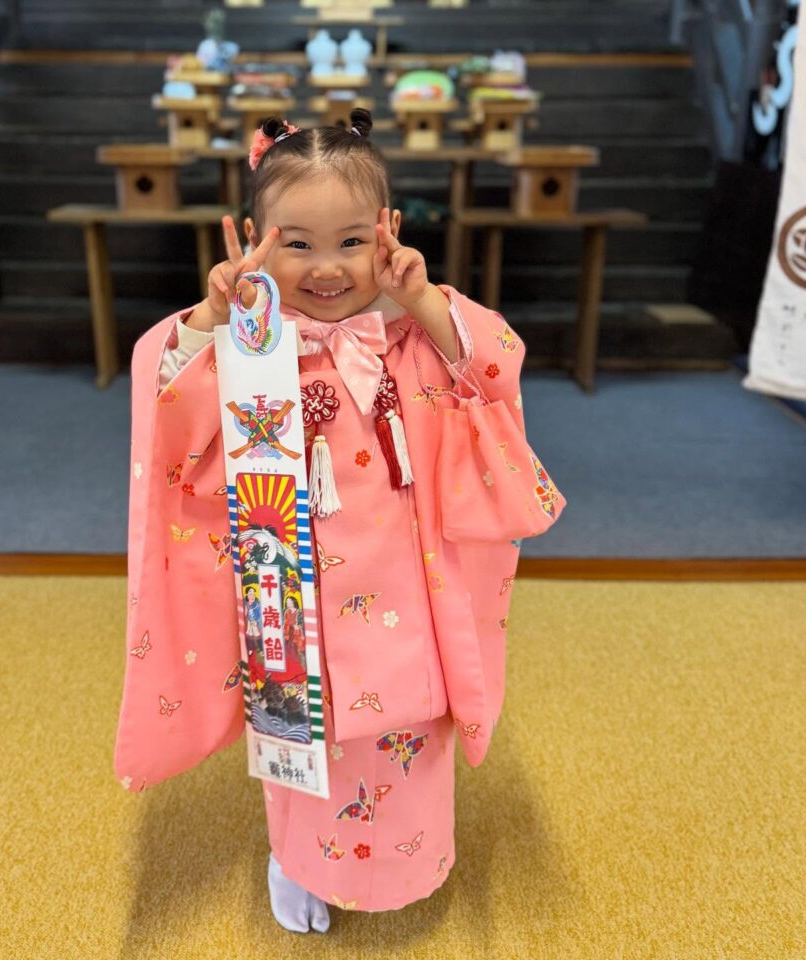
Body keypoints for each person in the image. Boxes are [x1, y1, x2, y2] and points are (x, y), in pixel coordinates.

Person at [114, 109, 566, 934]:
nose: (327, 268)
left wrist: (422, 298)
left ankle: (414, 858)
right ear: (255, 238)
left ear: (388, 231)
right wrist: (212, 320)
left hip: (407, 592)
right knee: (301, 739)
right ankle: (296, 860)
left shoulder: (412, 331)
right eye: (298, 243)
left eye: (352, 241)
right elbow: (167, 408)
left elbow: (494, 371)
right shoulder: (245, 345)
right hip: (292, 592)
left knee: (408, 733)